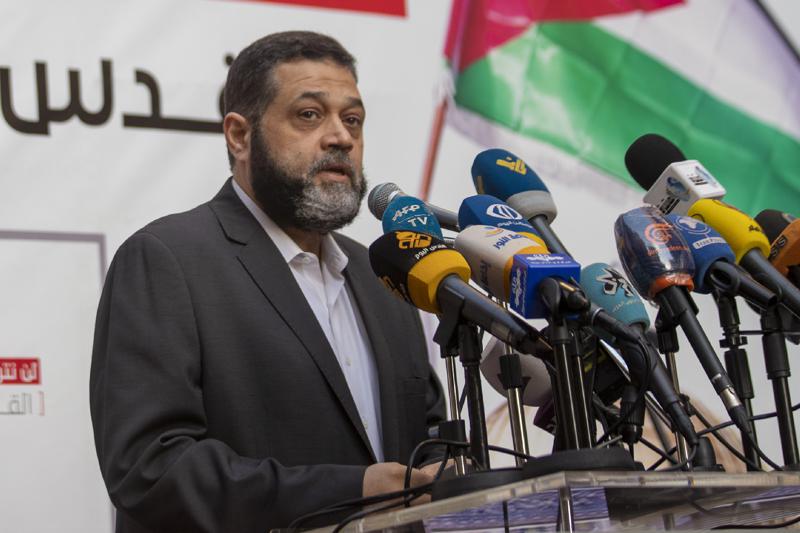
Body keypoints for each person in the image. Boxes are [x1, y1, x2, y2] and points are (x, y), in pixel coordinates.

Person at [90, 31, 445, 533]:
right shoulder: (168, 260)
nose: (340, 137)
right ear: (239, 135)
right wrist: (352, 491)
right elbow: (150, 470)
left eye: (352, 120)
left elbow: (423, 437)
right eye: (309, 115)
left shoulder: (383, 274)